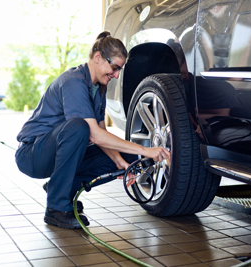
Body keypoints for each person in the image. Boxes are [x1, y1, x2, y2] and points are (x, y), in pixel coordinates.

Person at [15, 31, 170, 229]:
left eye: (119, 70)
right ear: (98, 58)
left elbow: (103, 134)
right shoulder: (73, 81)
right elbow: (94, 135)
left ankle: (61, 189)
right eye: (114, 68)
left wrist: (120, 162)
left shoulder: (99, 89)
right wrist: (145, 150)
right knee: (79, 127)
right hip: (32, 154)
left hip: (57, 151)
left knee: (128, 157)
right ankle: (56, 209)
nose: (116, 75)